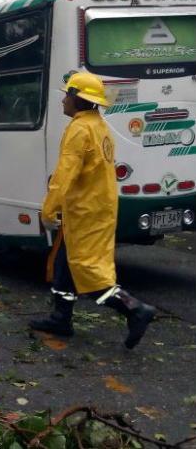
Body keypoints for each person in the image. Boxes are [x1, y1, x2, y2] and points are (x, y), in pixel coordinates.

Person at [30, 71, 156, 349]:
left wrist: (49, 210)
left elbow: (65, 175)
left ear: (77, 98)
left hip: (85, 212)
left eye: (67, 95)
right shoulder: (98, 125)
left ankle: (134, 309)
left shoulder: (79, 129)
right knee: (66, 262)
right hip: (98, 208)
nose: (63, 100)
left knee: (91, 272)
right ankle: (61, 318)